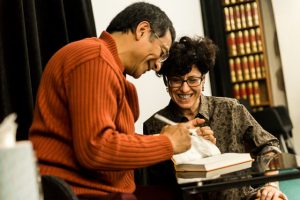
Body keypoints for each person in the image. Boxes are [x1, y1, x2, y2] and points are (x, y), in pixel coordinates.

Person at [29, 2, 205, 200]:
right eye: (162, 53)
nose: (158, 66)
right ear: (142, 30)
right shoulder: (95, 58)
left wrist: (162, 140)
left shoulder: (101, 61)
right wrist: (167, 143)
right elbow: (96, 148)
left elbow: (105, 140)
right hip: (82, 193)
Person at [141, 36, 288, 200]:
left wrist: (271, 185)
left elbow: (269, 146)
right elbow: (157, 184)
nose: (184, 88)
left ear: (203, 80)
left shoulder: (230, 109)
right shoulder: (154, 124)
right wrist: (183, 148)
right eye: (176, 80)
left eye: (193, 80)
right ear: (167, 83)